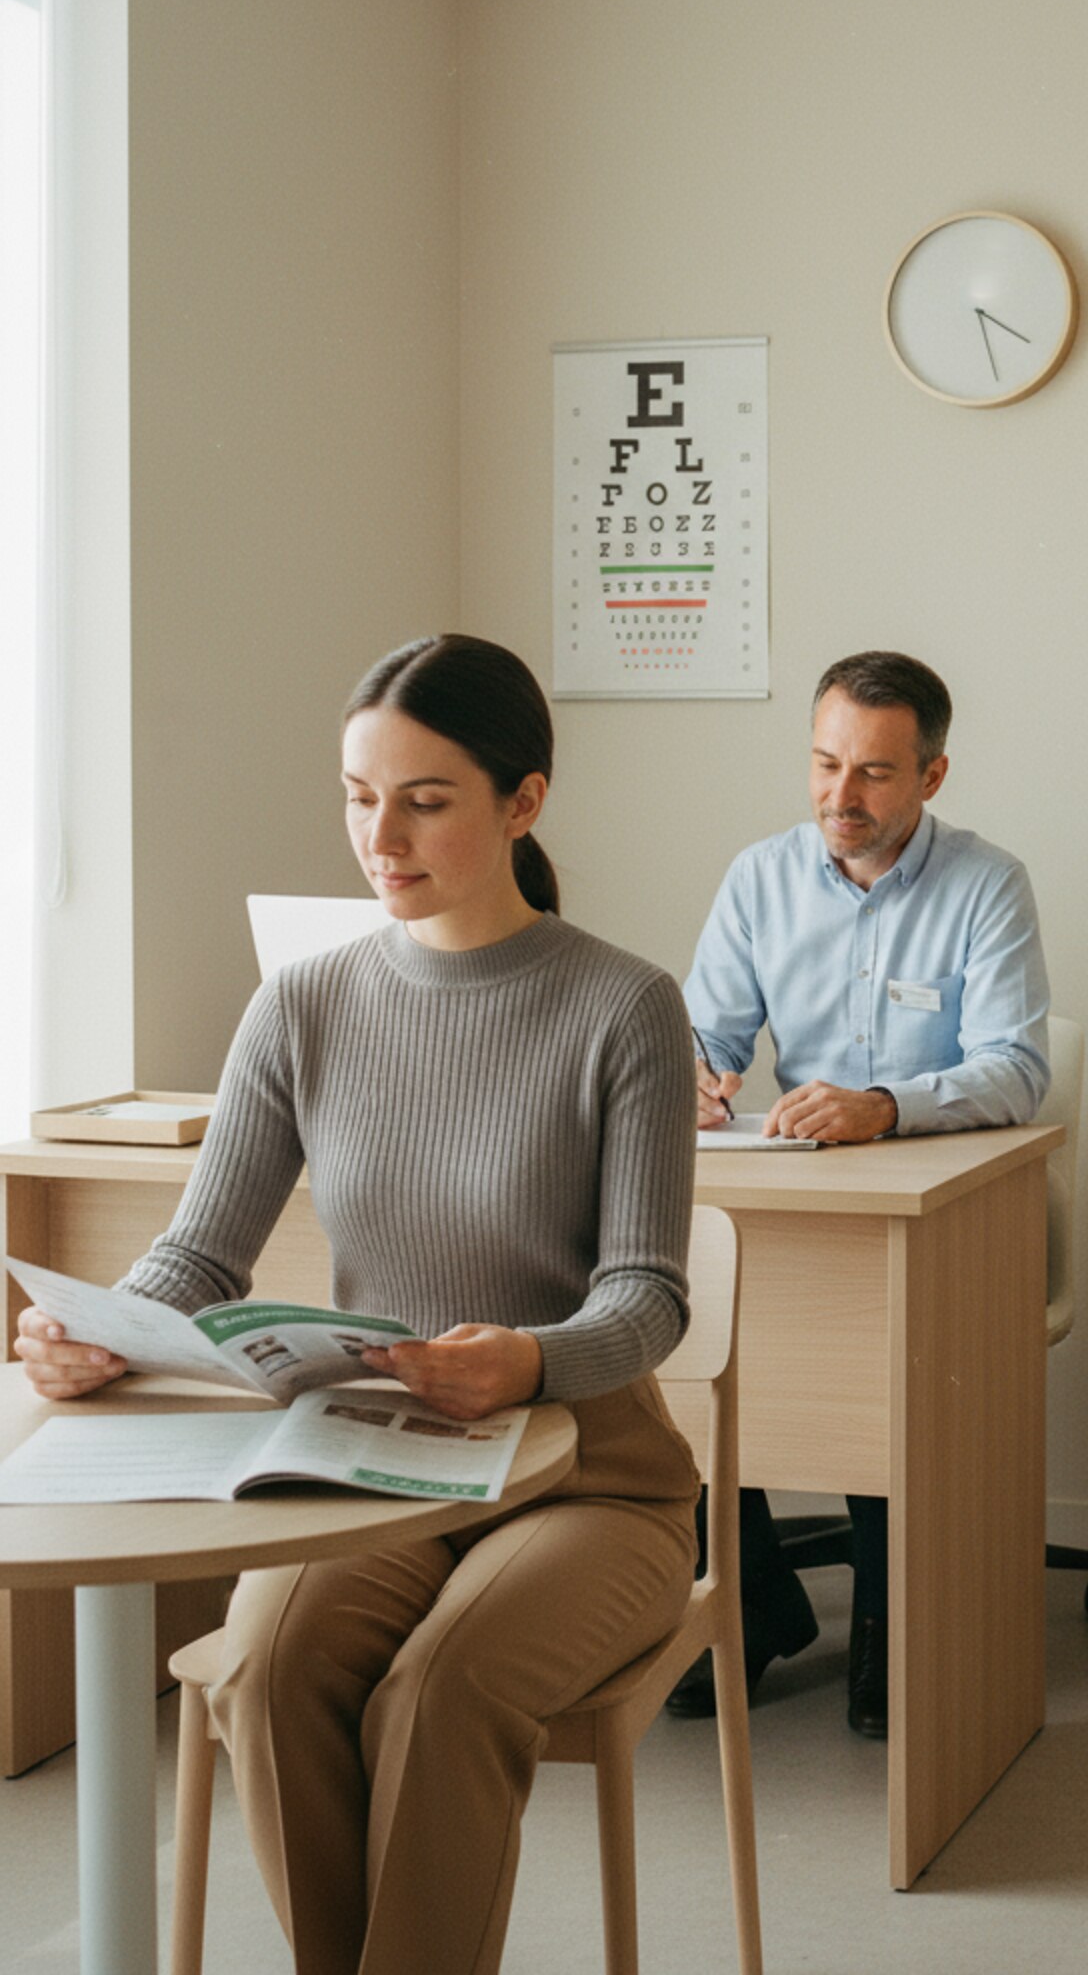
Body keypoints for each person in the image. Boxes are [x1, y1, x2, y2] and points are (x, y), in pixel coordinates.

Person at [14, 634, 699, 1975]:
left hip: (593, 1481)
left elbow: (650, 1294)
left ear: (524, 800)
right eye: (355, 795)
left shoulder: (626, 1007)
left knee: (442, 1691)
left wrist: (533, 1362)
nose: (378, 836)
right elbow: (201, 1252)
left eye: (424, 799)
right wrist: (106, 1323)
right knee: (267, 1675)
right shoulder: (303, 1005)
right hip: (374, 1468)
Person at [669, 649, 1049, 1738]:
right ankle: (751, 1604)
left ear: (930, 776)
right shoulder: (760, 877)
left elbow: (1017, 1066)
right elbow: (707, 1030)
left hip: (936, 1198)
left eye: (874, 772)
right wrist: (695, 1072)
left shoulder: (986, 883)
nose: (841, 796)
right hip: (795, 1190)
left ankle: (889, 1621)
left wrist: (882, 1103)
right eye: (825, 762)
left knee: (881, 1362)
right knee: (688, 1336)